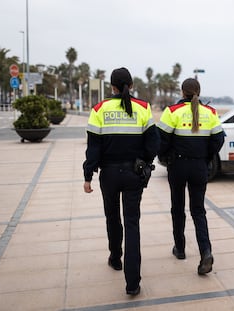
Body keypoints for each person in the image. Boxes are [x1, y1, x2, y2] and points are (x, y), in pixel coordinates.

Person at [83, 67, 159, 296]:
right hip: (134, 173)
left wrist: (88, 175)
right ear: (131, 86)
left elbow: (93, 147)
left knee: (113, 217)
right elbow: (153, 144)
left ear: (112, 87)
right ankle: (133, 282)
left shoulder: (99, 109)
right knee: (132, 222)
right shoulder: (144, 108)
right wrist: (144, 162)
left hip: (109, 174)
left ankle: (115, 258)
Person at [157, 78, 225, 275]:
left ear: (182, 92)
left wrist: (165, 157)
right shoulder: (211, 113)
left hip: (177, 166)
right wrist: (205, 157)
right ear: (199, 92)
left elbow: (162, 140)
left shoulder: (172, 112)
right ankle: (205, 251)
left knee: (177, 208)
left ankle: (180, 249)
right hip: (199, 167)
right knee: (198, 210)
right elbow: (218, 140)